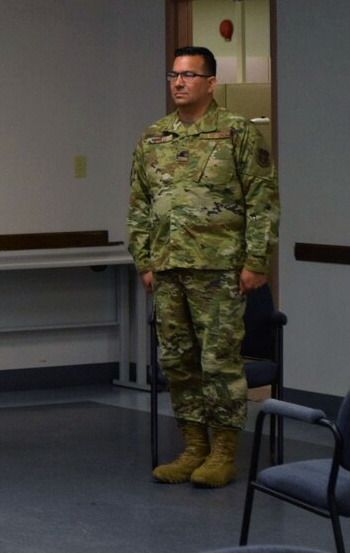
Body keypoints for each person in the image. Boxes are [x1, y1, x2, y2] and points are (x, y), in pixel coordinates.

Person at [127, 46, 279, 488]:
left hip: (220, 269)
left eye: (190, 76)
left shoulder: (237, 133)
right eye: (173, 75)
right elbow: (139, 204)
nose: (179, 82)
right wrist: (145, 261)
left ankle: (224, 452)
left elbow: (262, 200)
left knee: (219, 362)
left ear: (211, 83)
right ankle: (193, 447)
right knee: (177, 361)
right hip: (168, 268)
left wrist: (256, 260)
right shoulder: (154, 137)